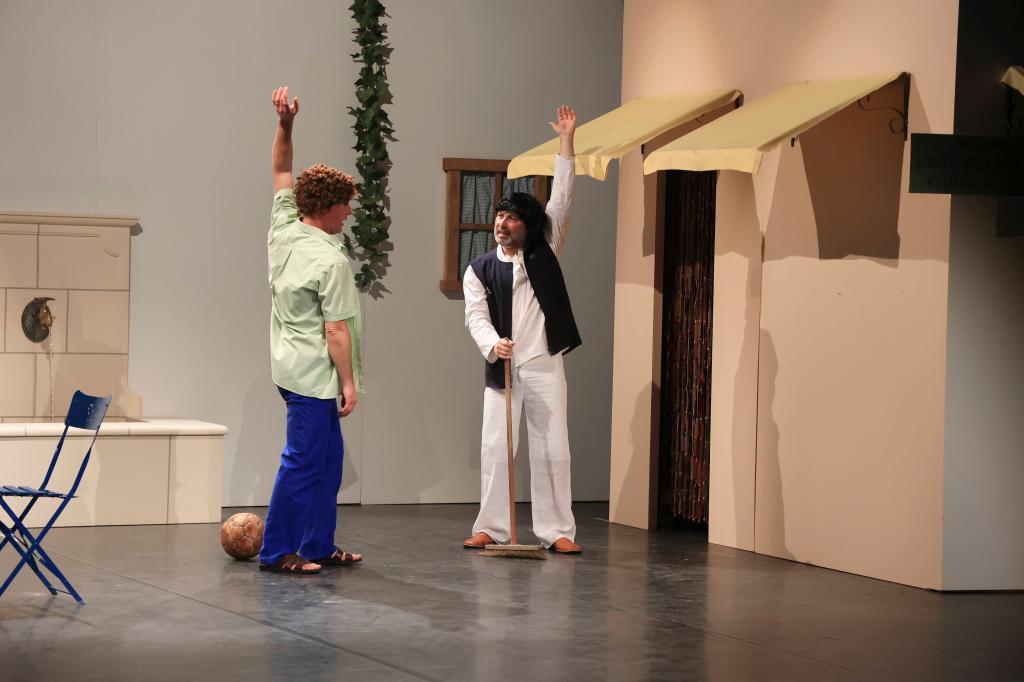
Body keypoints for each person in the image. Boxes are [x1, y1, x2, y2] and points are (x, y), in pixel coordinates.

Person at [462, 105, 583, 554]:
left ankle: (558, 530)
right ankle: (491, 527)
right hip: (504, 366)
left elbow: (562, 199)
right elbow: (475, 315)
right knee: (496, 448)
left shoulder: (545, 248)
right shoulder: (479, 268)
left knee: (553, 448)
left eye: (511, 218)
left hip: (543, 364)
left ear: (528, 226)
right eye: (499, 216)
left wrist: (566, 142)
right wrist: (493, 344)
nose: (501, 223)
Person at [258, 86, 365, 574]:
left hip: (290, 367)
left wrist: (285, 124)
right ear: (327, 208)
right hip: (313, 377)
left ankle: (318, 544)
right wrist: (349, 382)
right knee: (303, 463)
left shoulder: (284, 227)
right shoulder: (329, 259)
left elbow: (282, 170)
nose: (349, 213)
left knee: (326, 464)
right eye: (345, 206)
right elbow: (336, 330)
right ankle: (277, 551)